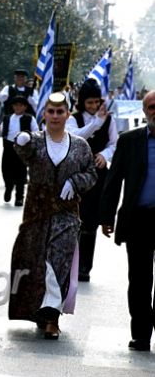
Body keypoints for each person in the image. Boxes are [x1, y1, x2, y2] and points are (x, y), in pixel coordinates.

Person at [8, 93, 97, 340]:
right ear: (44, 114)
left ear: (67, 114)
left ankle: (51, 317)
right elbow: (22, 153)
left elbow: (91, 174)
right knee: (35, 261)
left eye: (60, 112)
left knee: (56, 262)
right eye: (51, 112)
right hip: (36, 212)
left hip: (66, 213)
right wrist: (21, 141)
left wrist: (75, 181)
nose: (55, 116)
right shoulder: (35, 141)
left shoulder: (80, 145)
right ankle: (38, 309)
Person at [100, 90, 155, 351]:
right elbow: (113, 182)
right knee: (140, 281)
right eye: (152, 107)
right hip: (138, 221)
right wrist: (106, 216)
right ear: (144, 112)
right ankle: (141, 334)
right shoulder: (129, 141)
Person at [66, 78, 117, 282]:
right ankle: (68, 262)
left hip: (98, 175)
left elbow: (115, 143)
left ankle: (85, 266)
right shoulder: (73, 118)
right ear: (82, 102)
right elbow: (76, 138)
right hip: (76, 175)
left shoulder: (109, 120)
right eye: (90, 103)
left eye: (97, 102)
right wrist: (95, 123)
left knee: (91, 222)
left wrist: (105, 154)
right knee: (73, 219)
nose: (94, 106)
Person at [0, 95, 38, 207]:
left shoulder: (30, 118)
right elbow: (1, 129)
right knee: (6, 170)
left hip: (23, 148)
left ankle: (19, 197)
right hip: (8, 146)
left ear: (25, 107)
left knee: (21, 172)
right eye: (16, 105)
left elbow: (35, 132)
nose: (18, 107)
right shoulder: (7, 118)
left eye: (21, 105)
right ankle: (8, 188)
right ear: (13, 106)